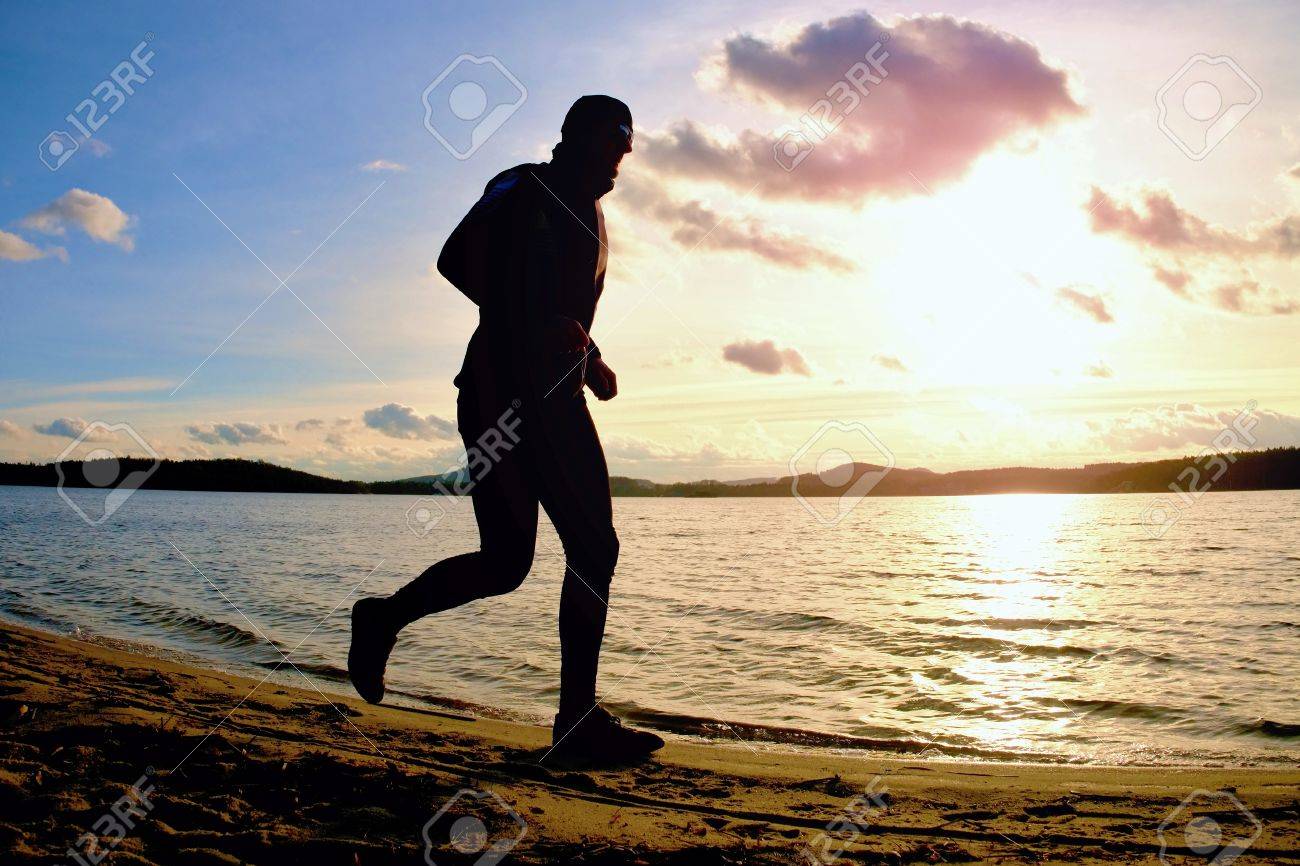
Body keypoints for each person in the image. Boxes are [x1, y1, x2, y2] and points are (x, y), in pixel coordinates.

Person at [348, 95, 664, 763]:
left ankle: (384, 617)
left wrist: (591, 356)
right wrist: (544, 326)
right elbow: (456, 260)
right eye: (614, 143)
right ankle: (576, 724)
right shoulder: (524, 185)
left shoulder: (591, 215)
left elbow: (559, 307)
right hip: (510, 394)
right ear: (577, 136)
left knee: (506, 562)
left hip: (542, 393)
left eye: (627, 149)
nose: (621, 160)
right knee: (593, 549)